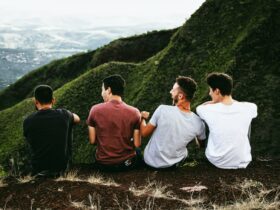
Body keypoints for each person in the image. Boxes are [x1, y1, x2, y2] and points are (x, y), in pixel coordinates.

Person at [141, 76, 206, 169]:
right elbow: (201, 145)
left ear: (180, 96)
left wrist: (142, 118)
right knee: (185, 151)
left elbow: (144, 133)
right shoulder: (198, 123)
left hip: (149, 162)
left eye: (173, 90)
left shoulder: (162, 109)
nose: (170, 91)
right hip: (172, 166)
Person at [196, 72, 258, 169]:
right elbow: (239, 104)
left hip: (216, 161)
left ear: (217, 91)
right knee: (246, 121)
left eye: (210, 90)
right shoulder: (250, 107)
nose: (209, 93)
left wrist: (213, 102)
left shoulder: (204, 109)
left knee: (205, 122)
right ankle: (239, 151)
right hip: (243, 161)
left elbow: (200, 107)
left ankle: (203, 148)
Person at [87, 74, 141, 171]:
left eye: (102, 90)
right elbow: (137, 144)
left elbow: (92, 141)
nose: (101, 93)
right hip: (125, 165)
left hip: (103, 165)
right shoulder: (135, 112)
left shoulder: (95, 110)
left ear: (109, 90)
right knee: (138, 151)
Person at [23, 85, 80, 177]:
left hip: (38, 168)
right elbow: (77, 119)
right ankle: (65, 163)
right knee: (69, 123)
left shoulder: (28, 120)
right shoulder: (64, 114)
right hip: (60, 167)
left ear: (36, 101)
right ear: (53, 100)